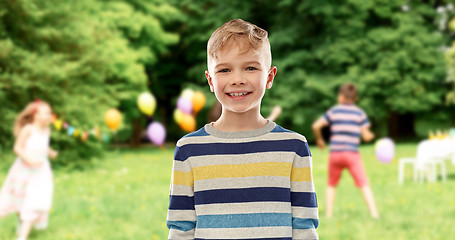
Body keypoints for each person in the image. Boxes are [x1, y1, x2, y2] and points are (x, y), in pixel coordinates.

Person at [166, 19, 319, 239]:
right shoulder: (188, 149)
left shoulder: (294, 147)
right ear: (210, 80)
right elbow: (181, 229)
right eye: (225, 70)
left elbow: (304, 227)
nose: (237, 79)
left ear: (270, 76)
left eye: (250, 67)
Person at [312, 83, 379, 219]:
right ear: (355, 98)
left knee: (331, 184)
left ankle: (329, 215)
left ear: (341, 97)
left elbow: (316, 126)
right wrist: (372, 135)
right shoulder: (359, 113)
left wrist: (320, 140)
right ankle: (374, 214)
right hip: (351, 154)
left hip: (335, 154)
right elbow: (366, 136)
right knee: (364, 183)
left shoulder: (334, 111)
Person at [0, 100, 57, 240]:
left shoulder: (47, 130)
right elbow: (17, 148)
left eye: (50, 112)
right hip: (24, 170)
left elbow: (42, 146)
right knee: (20, 201)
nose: (50, 115)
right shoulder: (28, 129)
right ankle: (21, 226)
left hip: (40, 172)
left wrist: (50, 152)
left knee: (34, 202)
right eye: (46, 113)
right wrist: (28, 159)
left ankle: (22, 237)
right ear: (35, 115)